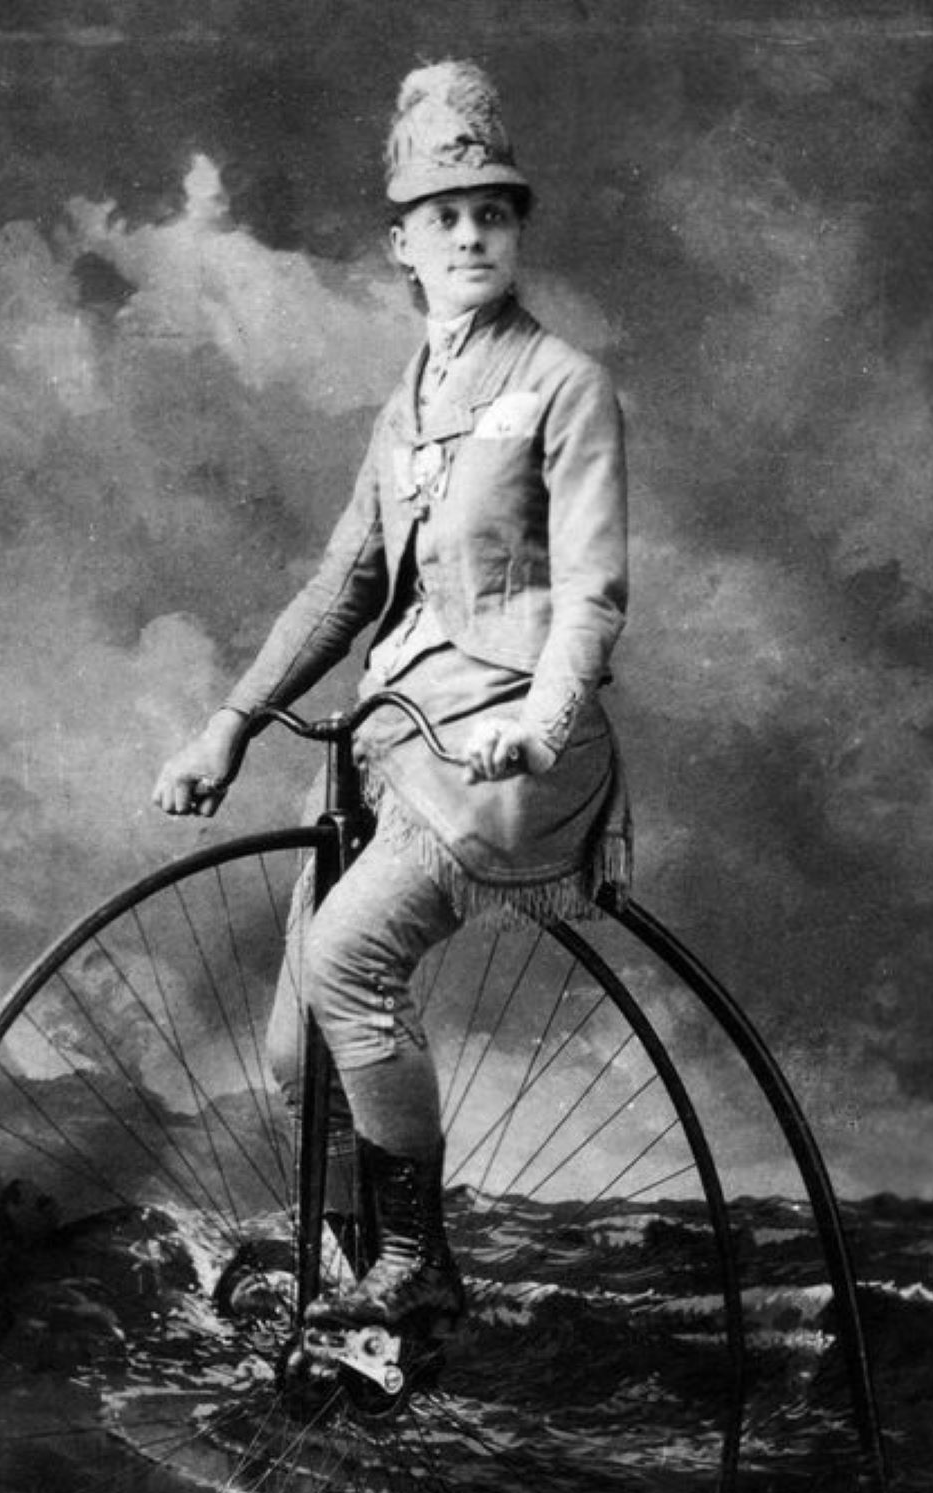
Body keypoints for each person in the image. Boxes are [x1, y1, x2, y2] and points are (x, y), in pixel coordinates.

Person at [153, 60, 630, 1340]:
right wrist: (230, 723)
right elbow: (342, 588)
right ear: (401, 246)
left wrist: (542, 716)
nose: (471, 236)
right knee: (296, 1052)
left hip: (511, 752)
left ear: (517, 230)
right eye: (445, 216)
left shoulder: (565, 387)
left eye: (493, 213)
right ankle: (366, 1317)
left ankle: (418, 1266)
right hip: (397, 747)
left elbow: (592, 594)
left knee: (348, 958)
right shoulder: (406, 408)